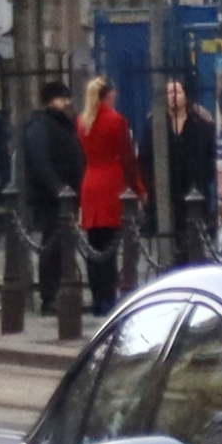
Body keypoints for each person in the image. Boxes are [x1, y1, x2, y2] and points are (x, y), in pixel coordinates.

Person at [77, 76, 145, 314]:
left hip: (91, 183)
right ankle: (109, 296)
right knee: (111, 245)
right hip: (112, 184)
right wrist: (138, 190)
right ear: (109, 95)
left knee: (94, 245)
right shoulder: (117, 121)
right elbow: (128, 160)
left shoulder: (82, 122)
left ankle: (98, 297)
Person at [17, 81, 84, 313]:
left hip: (68, 197)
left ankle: (63, 290)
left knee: (66, 246)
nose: (67, 102)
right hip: (53, 198)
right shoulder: (40, 125)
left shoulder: (64, 125)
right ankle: (50, 296)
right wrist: (58, 189)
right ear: (50, 100)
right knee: (53, 246)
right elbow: (40, 162)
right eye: (62, 98)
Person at [139, 78, 217, 262]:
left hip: (194, 188)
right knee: (169, 235)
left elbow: (210, 153)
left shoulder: (200, 123)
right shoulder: (155, 124)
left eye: (178, 92)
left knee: (195, 237)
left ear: (186, 96)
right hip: (168, 190)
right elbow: (145, 155)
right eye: (169, 92)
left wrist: (204, 177)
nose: (173, 96)